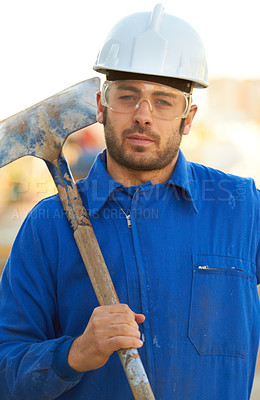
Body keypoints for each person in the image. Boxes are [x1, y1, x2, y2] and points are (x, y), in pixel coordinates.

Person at [0, 4, 259, 400]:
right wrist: (73, 354)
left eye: (163, 101)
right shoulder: (47, 226)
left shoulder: (241, 208)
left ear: (188, 118)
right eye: (128, 96)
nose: (143, 115)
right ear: (102, 107)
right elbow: (6, 369)